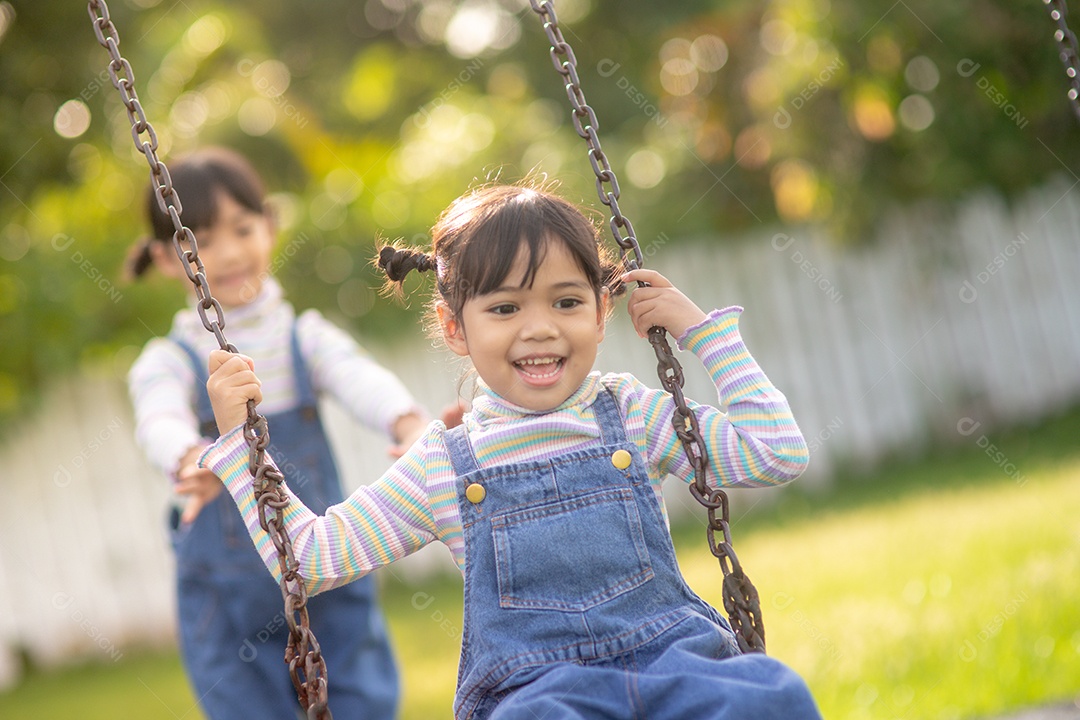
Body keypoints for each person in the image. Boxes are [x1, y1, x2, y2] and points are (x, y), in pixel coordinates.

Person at [198, 182, 823, 719]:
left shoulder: (634, 415)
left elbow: (775, 453)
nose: (540, 326)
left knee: (770, 697)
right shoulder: (444, 463)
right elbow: (309, 560)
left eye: (567, 301)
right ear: (454, 327)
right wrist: (239, 445)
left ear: (603, 312)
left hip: (677, 663)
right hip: (537, 694)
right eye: (504, 307)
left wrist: (706, 337)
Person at [127, 146, 424, 720]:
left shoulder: (304, 337)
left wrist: (406, 420)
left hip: (326, 568)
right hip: (228, 591)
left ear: (271, 225)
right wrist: (191, 456)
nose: (230, 252)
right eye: (202, 240)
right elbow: (156, 416)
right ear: (167, 259)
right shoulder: (171, 358)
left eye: (243, 228)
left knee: (360, 697)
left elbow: (358, 375)